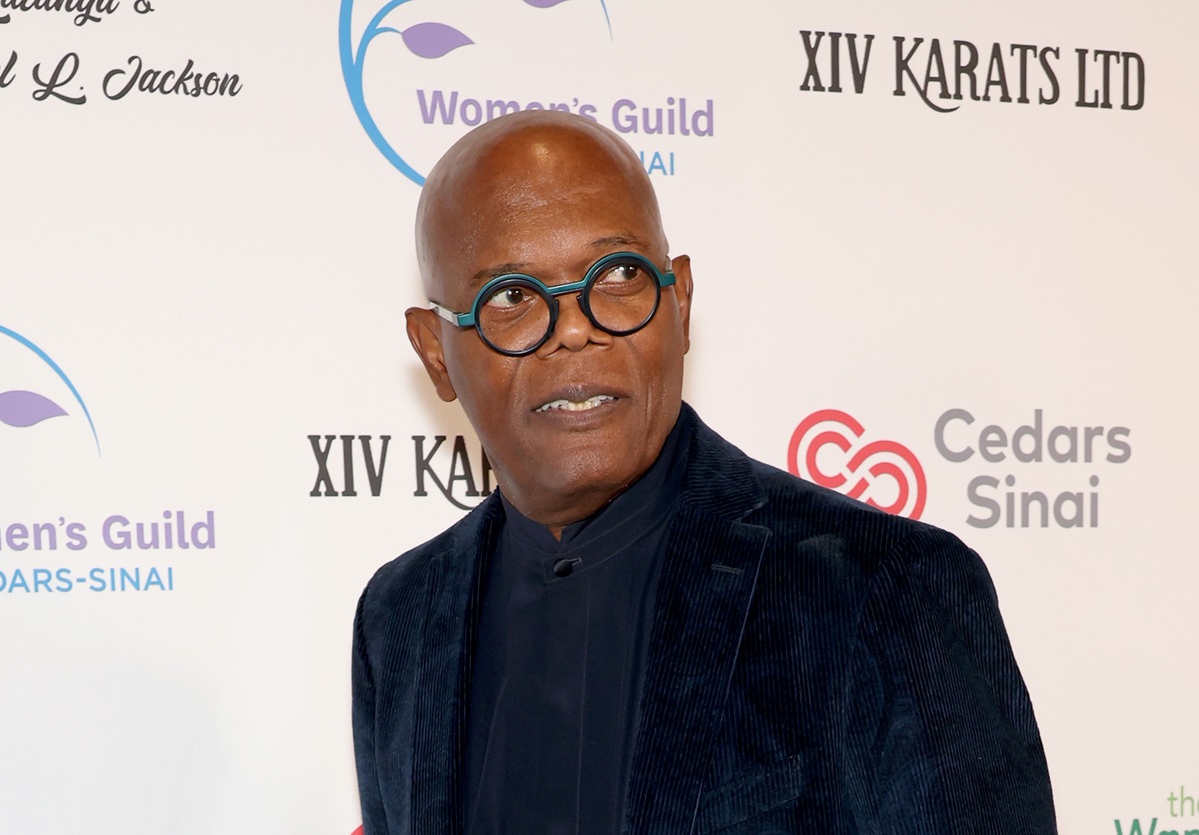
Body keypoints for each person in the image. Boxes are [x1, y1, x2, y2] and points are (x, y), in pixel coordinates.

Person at [351, 110, 1056, 834]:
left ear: (679, 302)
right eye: (511, 295)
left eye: (618, 273)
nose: (573, 327)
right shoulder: (399, 620)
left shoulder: (883, 587)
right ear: (436, 351)